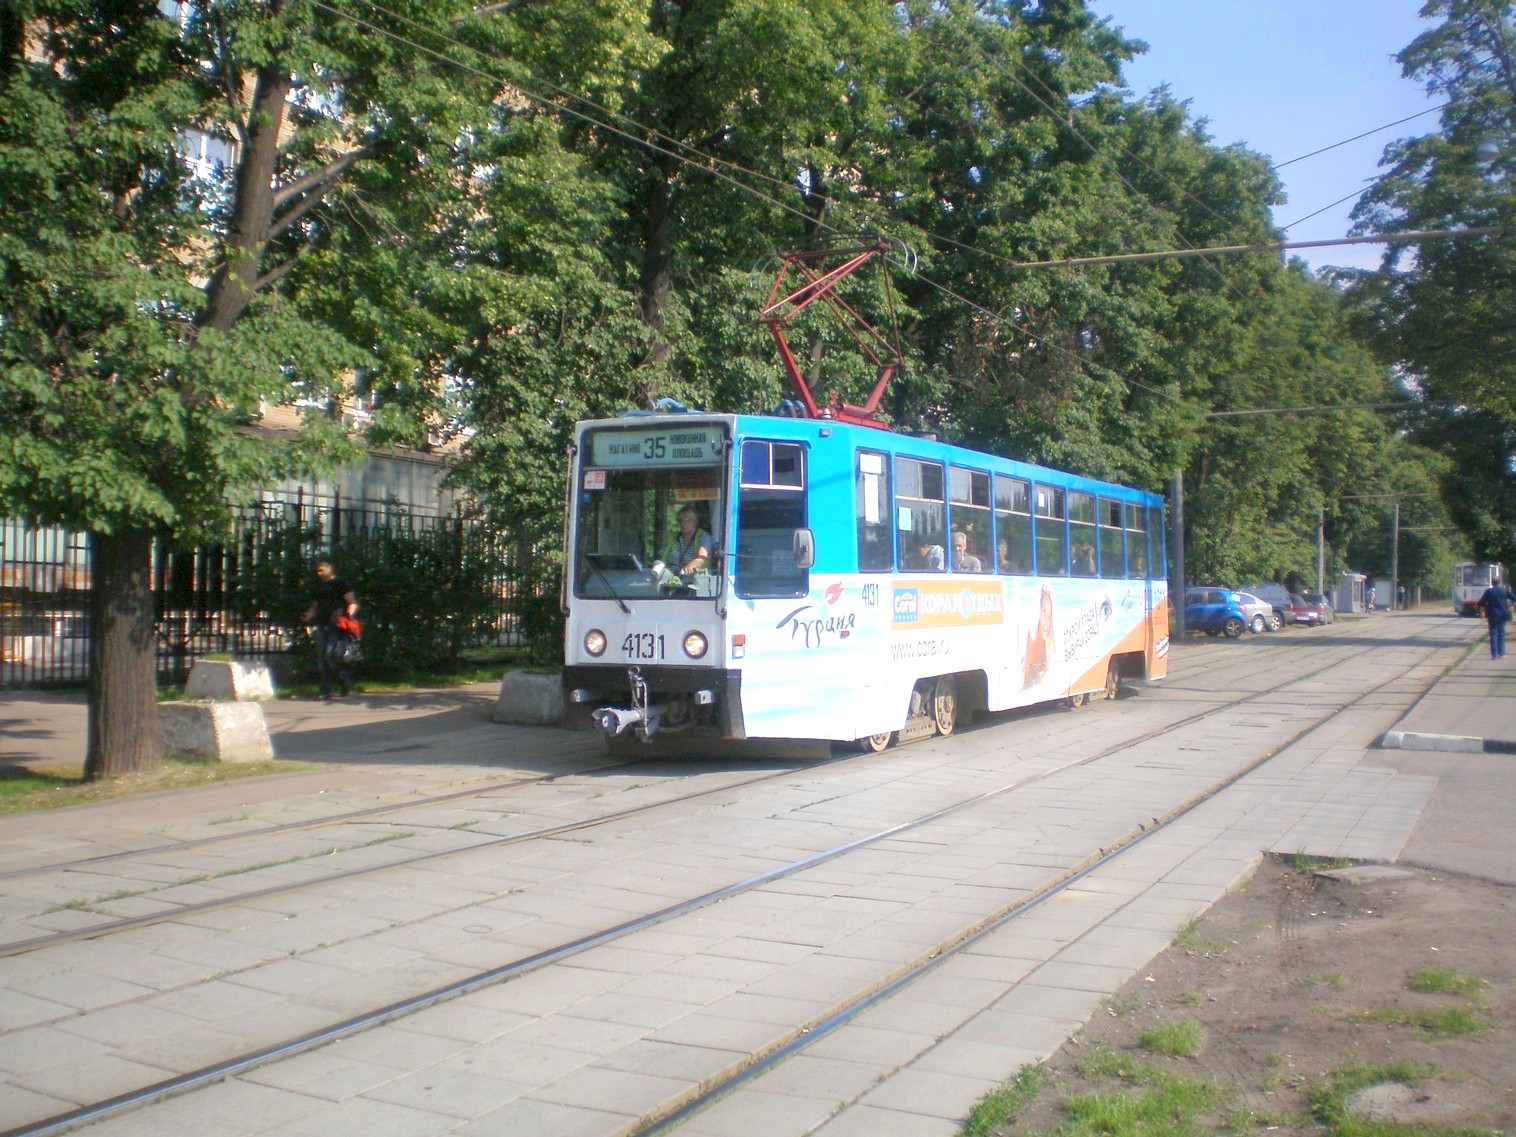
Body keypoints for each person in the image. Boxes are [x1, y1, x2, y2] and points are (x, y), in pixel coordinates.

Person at [302, 559, 358, 699]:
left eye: (321, 570)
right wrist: (308, 615)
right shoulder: (319, 587)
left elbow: (352, 603)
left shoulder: (340, 584)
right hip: (321, 624)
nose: (319, 573)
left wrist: (347, 617)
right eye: (317, 571)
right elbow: (315, 607)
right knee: (321, 657)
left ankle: (344, 680)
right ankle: (326, 690)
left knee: (331, 655)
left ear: (329, 569)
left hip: (337, 625)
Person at [664, 506, 710, 580]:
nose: (683, 523)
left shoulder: (703, 537)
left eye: (687, 520)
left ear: (695, 521)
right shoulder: (672, 537)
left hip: (693, 581)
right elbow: (662, 559)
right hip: (669, 580)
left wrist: (690, 566)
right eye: (680, 520)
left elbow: (702, 557)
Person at [1477, 577, 1515, 660]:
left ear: (1492, 582)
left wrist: (1482, 612)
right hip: (1503, 614)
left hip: (1492, 614)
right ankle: (1502, 653)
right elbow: (1514, 597)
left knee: (1493, 634)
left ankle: (1494, 655)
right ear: (1499, 582)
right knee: (1501, 633)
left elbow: (1481, 603)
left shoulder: (1488, 591)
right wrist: (1511, 606)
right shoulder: (1504, 590)